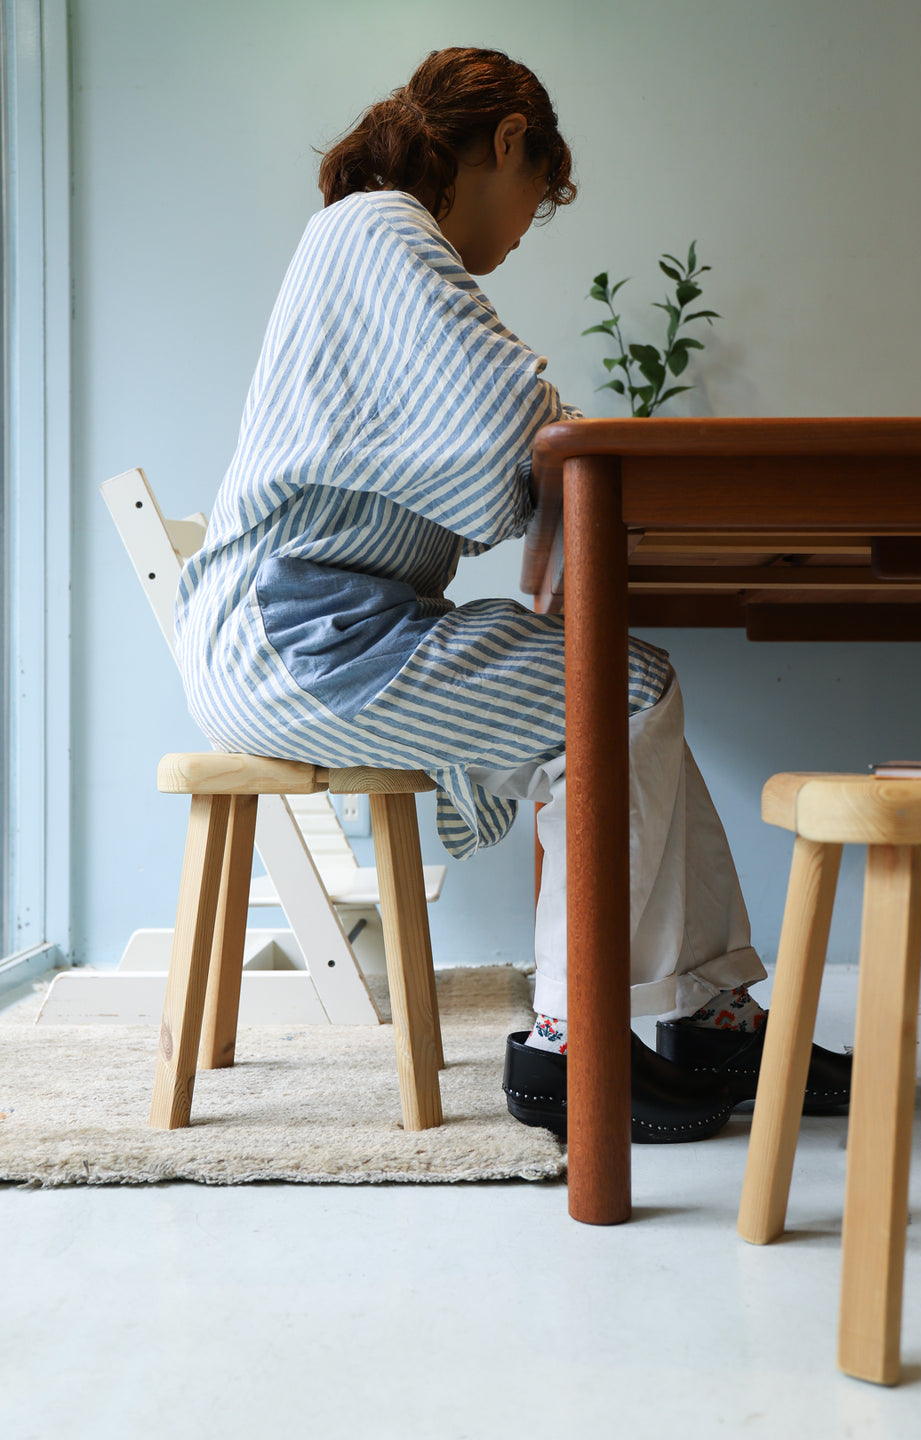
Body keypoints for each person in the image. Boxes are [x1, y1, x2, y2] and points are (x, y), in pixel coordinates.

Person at [176, 47, 851, 1142]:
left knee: (629, 684)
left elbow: (484, 427)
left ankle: (706, 1013)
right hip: (302, 633)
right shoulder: (377, 225)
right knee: (619, 693)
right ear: (506, 143)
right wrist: (551, 459)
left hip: (314, 625)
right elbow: (503, 412)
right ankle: (577, 1039)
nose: (524, 229)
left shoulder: (367, 240)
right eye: (537, 197)